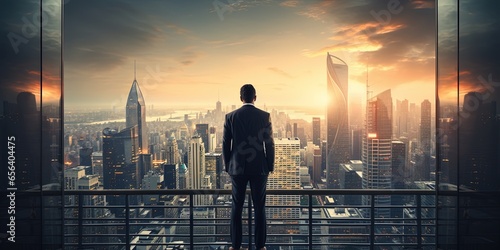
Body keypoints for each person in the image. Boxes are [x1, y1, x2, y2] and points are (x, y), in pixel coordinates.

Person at [223, 84, 275, 250]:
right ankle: (260, 246)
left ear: (240, 98)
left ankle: (236, 246)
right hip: (259, 168)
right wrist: (269, 166)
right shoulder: (264, 116)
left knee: (236, 207)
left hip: (236, 168)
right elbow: (270, 144)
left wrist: (227, 166)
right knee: (259, 208)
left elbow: (226, 144)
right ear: (255, 97)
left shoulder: (230, 117)